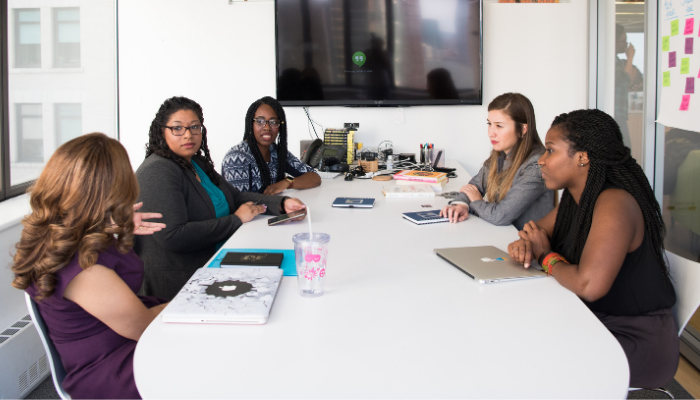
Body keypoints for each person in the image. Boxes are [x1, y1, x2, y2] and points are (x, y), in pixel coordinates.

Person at [507, 109, 677, 389]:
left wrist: (545, 256)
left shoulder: (615, 203)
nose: (542, 159)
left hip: (632, 340)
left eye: (550, 150)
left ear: (583, 157)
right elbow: (532, 233)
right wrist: (525, 245)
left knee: (527, 356)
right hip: (591, 319)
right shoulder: (577, 200)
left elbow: (589, 285)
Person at [11, 133, 167, 399]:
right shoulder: (86, 271)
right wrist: (192, 300)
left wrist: (112, 224)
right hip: (113, 370)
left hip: (115, 342)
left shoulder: (58, 235)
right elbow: (145, 329)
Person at [135, 96, 307, 300]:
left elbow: (235, 197)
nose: (188, 135)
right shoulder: (157, 171)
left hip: (217, 261)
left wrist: (281, 204)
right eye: (178, 128)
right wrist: (236, 220)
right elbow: (174, 236)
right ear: (161, 131)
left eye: (194, 127)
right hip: (181, 283)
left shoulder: (195, 162)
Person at [440, 92, 554, 230]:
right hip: (506, 237)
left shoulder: (536, 165)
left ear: (523, 129)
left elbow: (500, 215)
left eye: (499, 126)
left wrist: (476, 201)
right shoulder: (500, 154)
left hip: (528, 246)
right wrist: (460, 205)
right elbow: (474, 186)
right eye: (489, 124)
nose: (490, 132)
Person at [222, 96, 321, 195]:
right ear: (250, 124)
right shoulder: (236, 158)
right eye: (260, 121)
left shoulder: (276, 152)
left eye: (273, 122)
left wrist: (287, 182)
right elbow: (240, 203)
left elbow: (314, 177)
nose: (267, 127)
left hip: (276, 208)